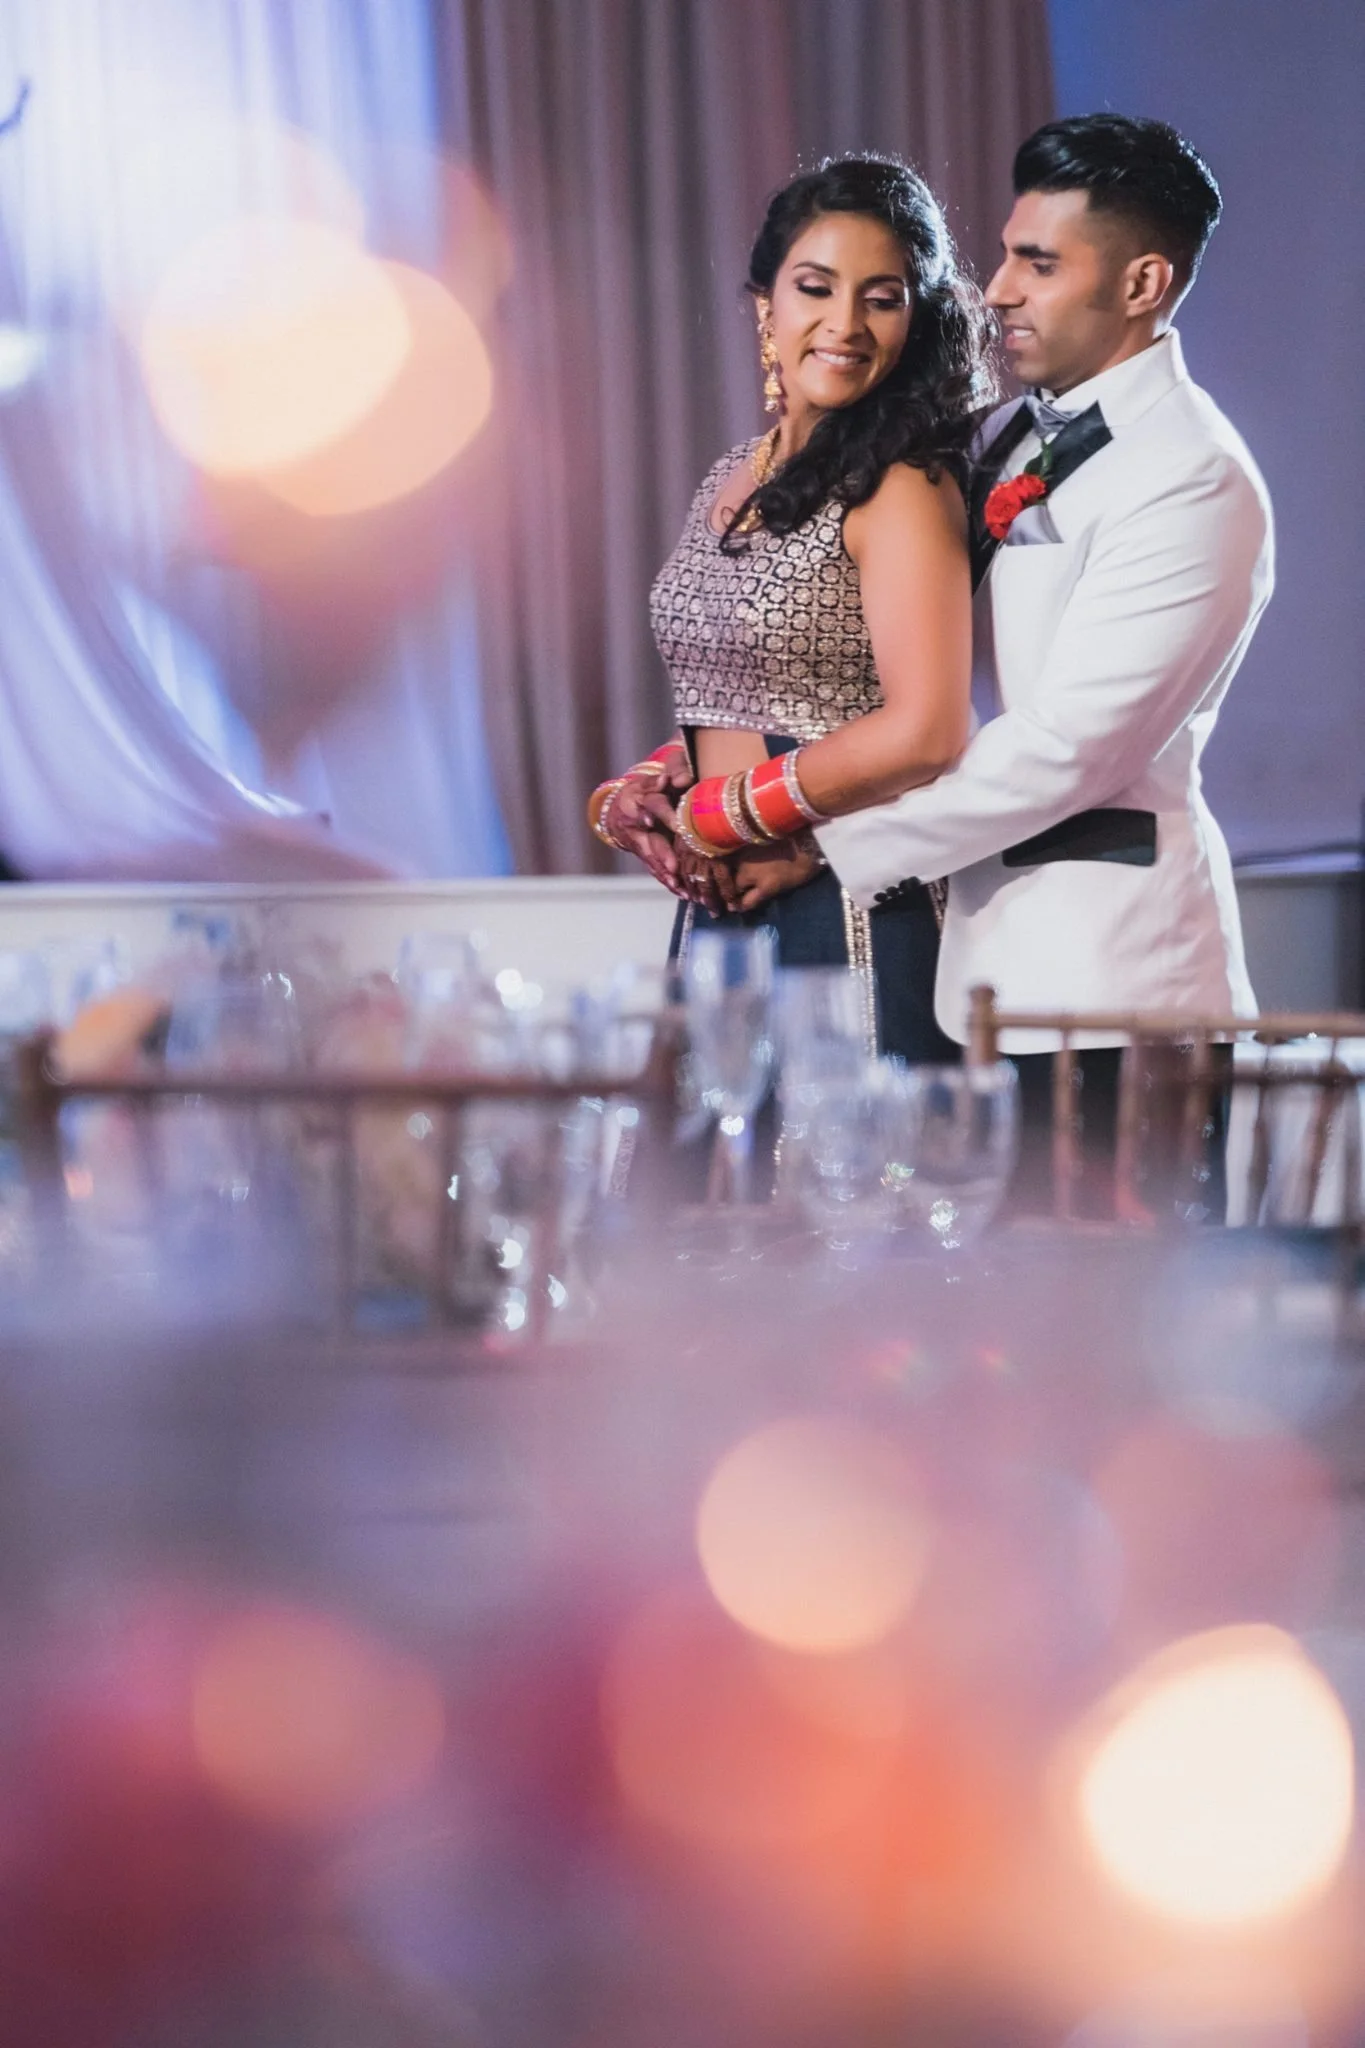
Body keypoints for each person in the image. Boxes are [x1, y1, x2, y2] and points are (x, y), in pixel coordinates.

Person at [636, 115, 1272, 1215]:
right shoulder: (1015, 434)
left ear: (1143, 282)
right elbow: (837, 644)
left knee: (1098, 1334)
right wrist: (679, 775)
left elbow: (1061, 750)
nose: (995, 288)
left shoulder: (1193, 478)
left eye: (1037, 261)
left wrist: (811, 844)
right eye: (1003, 254)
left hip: (1106, 977)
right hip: (974, 953)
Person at [588, 154, 993, 1061]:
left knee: (836, 1187)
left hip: (847, 904)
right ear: (763, 303)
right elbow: (756, 689)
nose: (843, 324)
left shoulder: (902, 485)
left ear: (915, 315)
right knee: (709, 1185)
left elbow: (927, 729)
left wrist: (722, 817)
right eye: (815, 288)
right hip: (724, 908)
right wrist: (647, 795)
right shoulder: (731, 474)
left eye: (881, 297)